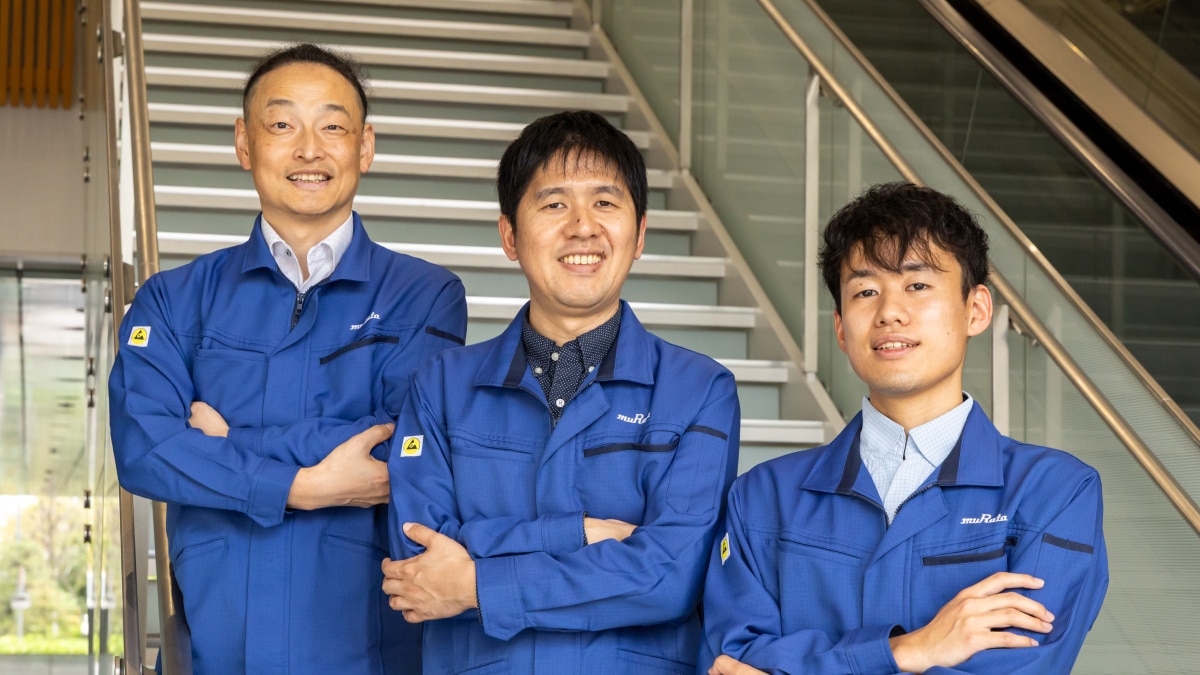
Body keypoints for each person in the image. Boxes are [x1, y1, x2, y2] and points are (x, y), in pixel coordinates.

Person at [109, 44, 467, 673]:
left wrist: (222, 448)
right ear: (245, 144)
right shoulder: (172, 299)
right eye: (282, 126)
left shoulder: (424, 294)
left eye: (333, 126)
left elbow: (403, 447)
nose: (309, 149)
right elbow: (144, 447)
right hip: (218, 637)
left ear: (366, 147)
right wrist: (306, 484)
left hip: (363, 637)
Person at [381, 110, 741, 674]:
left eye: (605, 202)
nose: (582, 226)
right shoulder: (442, 386)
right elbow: (417, 561)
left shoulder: (699, 390)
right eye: (554, 204)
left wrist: (476, 583)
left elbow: (670, 576)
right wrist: (577, 534)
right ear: (509, 236)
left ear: (640, 233)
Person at [700, 182, 1107, 674]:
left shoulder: (1053, 493)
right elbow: (731, 661)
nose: (890, 312)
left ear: (976, 309)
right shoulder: (763, 498)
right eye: (866, 291)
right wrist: (910, 651)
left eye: (917, 285)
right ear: (841, 329)